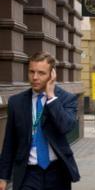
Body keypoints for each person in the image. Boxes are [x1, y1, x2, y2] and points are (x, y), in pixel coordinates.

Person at [0, 51, 80, 190]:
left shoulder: (66, 99)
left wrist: (51, 97)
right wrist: (3, 177)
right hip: (28, 173)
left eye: (41, 73)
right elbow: (9, 142)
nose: (35, 77)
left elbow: (66, 126)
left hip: (57, 173)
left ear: (52, 75)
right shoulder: (16, 102)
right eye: (31, 72)